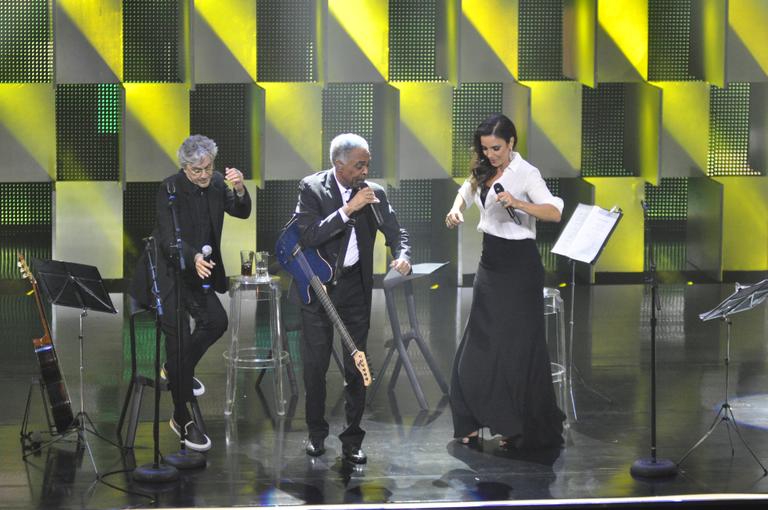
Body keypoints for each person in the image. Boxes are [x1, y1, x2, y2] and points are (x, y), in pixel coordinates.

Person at [445, 113, 565, 450]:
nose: (490, 155)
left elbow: (554, 210)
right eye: (485, 149)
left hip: (520, 268)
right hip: (490, 264)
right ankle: (469, 418)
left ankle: (516, 424)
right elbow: (464, 193)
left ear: (511, 143)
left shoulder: (526, 173)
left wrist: (518, 202)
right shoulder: (483, 169)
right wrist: (456, 210)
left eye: (496, 148)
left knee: (514, 347)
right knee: (479, 342)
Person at [293, 133, 411, 464]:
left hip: (354, 290)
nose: (365, 170)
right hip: (317, 289)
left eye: (367, 164)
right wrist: (348, 209)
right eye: (359, 165)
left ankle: (352, 439)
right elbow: (309, 234)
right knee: (315, 366)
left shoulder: (374, 193)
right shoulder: (312, 189)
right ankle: (317, 435)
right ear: (338, 164)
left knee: (356, 366)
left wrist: (402, 254)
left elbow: (396, 231)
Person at [130, 134, 251, 452]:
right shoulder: (169, 188)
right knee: (179, 335)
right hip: (169, 270)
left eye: (208, 168)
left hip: (199, 270)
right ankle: (181, 416)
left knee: (216, 321)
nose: (203, 175)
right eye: (196, 170)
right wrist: (192, 256)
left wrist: (239, 188)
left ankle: (175, 368)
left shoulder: (214, 184)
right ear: (184, 168)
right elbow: (168, 237)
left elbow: (241, 211)